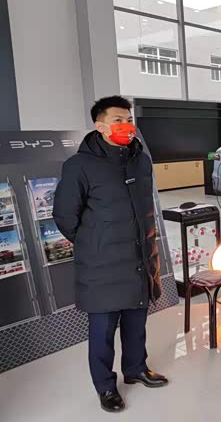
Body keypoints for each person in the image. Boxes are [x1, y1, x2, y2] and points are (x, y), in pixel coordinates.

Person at [53, 96, 168, 413]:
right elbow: (65, 216)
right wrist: (95, 242)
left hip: (139, 259)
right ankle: (105, 387)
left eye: (128, 120)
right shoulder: (79, 166)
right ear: (100, 126)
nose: (126, 125)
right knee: (102, 331)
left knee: (136, 323)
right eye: (118, 120)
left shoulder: (139, 160)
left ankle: (136, 369)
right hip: (101, 264)